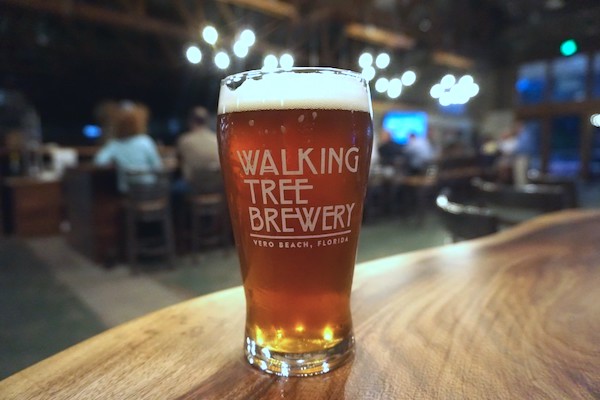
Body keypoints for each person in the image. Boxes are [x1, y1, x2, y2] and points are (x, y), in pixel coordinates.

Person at [93, 101, 163, 192]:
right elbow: (157, 166)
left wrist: (114, 162)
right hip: (148, 190)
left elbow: (99, 162)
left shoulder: (114, 144)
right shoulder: (145, 141)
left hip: (127, 191)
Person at [177, 106, 220, 185]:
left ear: (190, 121)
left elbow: (179, 162)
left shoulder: (184, 140)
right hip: (216, 187)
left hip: (192, 188)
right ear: (207, 121)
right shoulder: (216, 139)